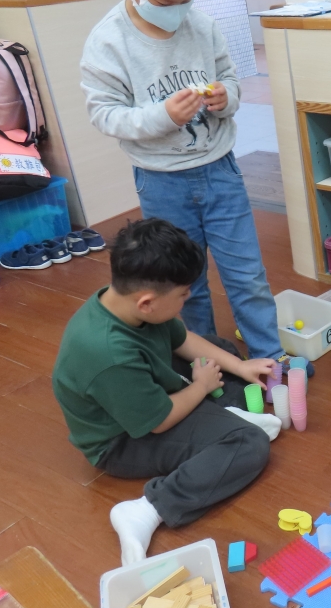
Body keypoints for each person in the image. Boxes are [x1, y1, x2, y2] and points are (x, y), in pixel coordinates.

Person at [80, 0, 290, 368]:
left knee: (247, 273)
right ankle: (207, 362)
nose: (177, 11)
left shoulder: (202, 25)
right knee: (182, 282)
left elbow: (229, 77)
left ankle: (269, 357)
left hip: (220, 171)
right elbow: (105, 114)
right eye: (166, 1)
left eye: (186, 1)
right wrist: (162, 116)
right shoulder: (108, 42)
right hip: (161, 181)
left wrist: (226, 97)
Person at [52, 219, 283, 566]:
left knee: (221, 351)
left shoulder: (125, 302)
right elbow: (159, 421)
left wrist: (241, 367)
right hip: (122, 441)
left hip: (147, 393)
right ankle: (148, 509)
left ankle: (221, 419)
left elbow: (182, 338)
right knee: (248, 444)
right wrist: (202, 386)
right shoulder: (108, 354)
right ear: (147, 303)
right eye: (183, 295)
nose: (187, 300)